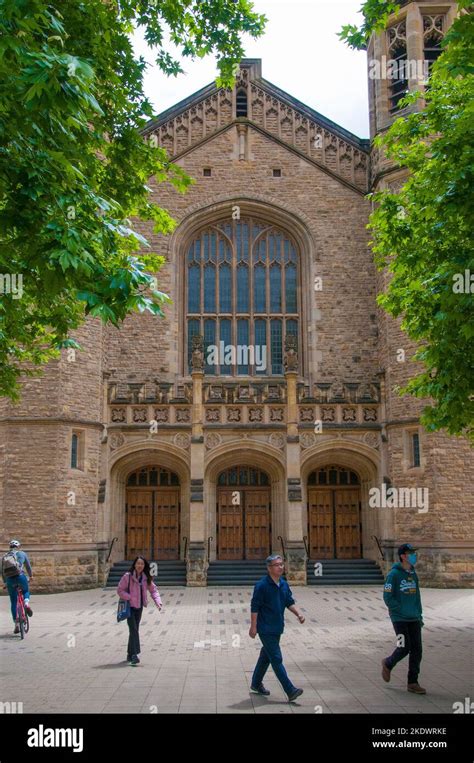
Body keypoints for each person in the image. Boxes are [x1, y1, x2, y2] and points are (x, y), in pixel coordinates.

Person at [249, 554, 305, 702]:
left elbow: (288, 601)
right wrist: (253, 627)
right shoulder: (261, 586)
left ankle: (255, 683)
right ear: (269, 568)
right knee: (276, 658)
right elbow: (255, 606)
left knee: (265, 657)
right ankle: (290, 690)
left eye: (281, 564)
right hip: (265, 628)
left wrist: (298, 613)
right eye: (277, 565)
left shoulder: (284, 584)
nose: (280, 567)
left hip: (277, 626)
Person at [381, 543, 426, 694]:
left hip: (413, 618)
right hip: (399, 620)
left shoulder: (413, 574)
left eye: (414, 552)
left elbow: (417, 596)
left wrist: (418, 614)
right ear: (403, 556)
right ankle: (388, 663)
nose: (414, 555)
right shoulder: (393, 575)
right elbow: (387, 596)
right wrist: (398, 610)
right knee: (403, 646)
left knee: (417, 650)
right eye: (411, 553)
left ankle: (412, 682)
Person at [117, 556, 162, 666]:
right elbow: (120, 590)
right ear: (134, 564)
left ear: (144, 566)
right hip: (129, 607)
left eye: (142, 564)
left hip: (139, 607)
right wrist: (130, 597)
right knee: (134, 630)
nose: (140, 566)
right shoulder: (127, 577)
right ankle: (135, 655)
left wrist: (158, 602)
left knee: (134, 630)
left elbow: (153, 590)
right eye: (138, 563)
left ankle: (129, 653)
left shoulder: (145, 577)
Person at [1, 539, 33, 634]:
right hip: (21, 577)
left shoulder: (4, 557)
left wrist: (5, 582)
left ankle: (16, 624)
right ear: (18, 547)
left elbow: (2, 572)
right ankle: (26, 604)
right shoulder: (22, 554)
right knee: (25, 590)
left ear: (9, 547)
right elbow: (28, 566)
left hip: (10, 580)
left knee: (14, 601)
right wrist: (31, 576)